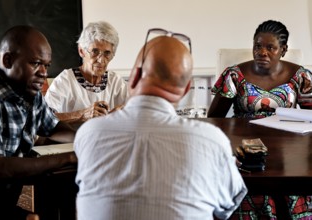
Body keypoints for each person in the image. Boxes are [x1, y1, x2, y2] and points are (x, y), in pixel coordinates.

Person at [74, 29, 247, 220]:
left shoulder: (89, 133)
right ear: (187, 88)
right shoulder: (212, 141)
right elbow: (227, 206)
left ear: (133, 76)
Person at [208, 20, 312, 219]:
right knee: (250, 192)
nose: (262, 52)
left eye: (270, 47)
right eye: (257, 46)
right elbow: (214, 119)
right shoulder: (234, 75)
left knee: (296, 192)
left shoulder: (301, 77)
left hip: (289, 153)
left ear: (283, 50)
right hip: (247, 152)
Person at [0, 25, 77, 220]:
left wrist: (84, 140)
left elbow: (54, 127)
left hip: (13, 193)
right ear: (8, 60)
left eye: (47, 66)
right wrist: (68, 157)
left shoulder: (30, 93)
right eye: (35, 63)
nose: (43, 73)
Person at [45, 21, 128, 123]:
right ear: (81, 51)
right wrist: (82, 115)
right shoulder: (65, 80)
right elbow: (45, 118)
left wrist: (121, 113)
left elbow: (137, 107)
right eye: (95, 51)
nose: (101, 60)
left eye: (107, 53)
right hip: (73, 138)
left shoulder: (115, 81)